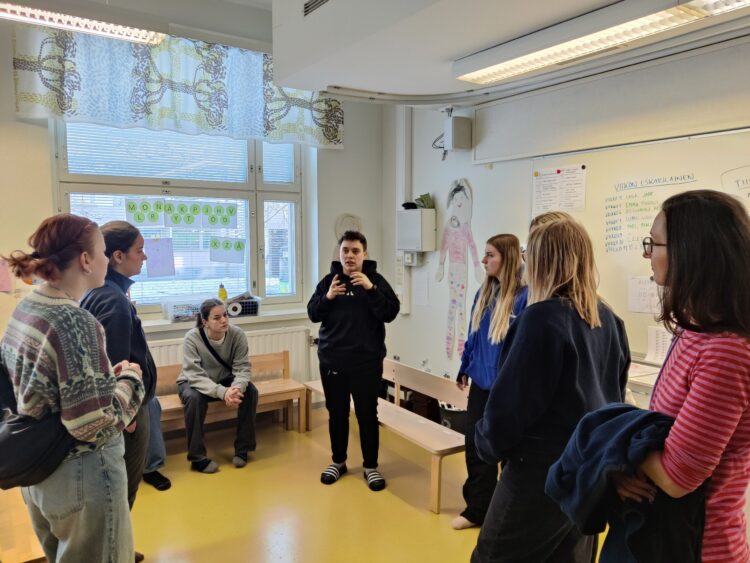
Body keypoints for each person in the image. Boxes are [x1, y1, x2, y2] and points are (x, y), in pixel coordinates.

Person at [471, 218, 630, 563]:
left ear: (542, 260)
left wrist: (485, 444)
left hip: (538, 475)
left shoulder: (541, 319)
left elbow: (509, 408)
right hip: (586, 473)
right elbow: (615, 398)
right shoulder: (609, 320)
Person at [613, 190, 750, 562]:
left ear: (690, 253)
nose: (647, 254)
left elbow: (677, 478)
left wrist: (618, 442)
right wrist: (624, 466)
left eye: (653, 244)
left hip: (700, 547)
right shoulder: (692, 331)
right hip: (663, 535)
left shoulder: (725, 351)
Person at [0, 213, 144, 563]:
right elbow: (91, 425)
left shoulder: (28, 307)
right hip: (81, 474)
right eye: (102, 252)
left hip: (41, 473)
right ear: (85, 260)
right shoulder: (76, 322)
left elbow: (46, 383)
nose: (107, 260)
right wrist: (130, 381)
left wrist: (105, 377)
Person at [81, 221, 171, 508]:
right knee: (123, 492)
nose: (145, 256)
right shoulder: (113, 301)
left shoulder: (102, 292)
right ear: (118, 256)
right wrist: (127, 419)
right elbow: (113, 366)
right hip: (127, 411)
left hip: (126, 408)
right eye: (139, 250)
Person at [308, 230, 400, 491]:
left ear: (364, 254)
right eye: (345, 250)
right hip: (332, 361)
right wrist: (328, 297)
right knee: (336, 414)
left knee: (367, 415)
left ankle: (371, 466)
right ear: (339, 254)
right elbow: (313, 313)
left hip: (366, 364)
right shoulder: (329, 282)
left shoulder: (376, 281)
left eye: (355, 251)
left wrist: (371, 289)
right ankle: (338, 462)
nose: (349, 256)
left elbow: (390, 312)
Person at [452, 234, 528, 531]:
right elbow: (473, 336)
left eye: (490, 255)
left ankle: (506, 514)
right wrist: (464, 366)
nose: (484, 260)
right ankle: (477, 509)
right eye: (484, 254)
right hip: (481, 385)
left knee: (508, 451)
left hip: (508, 389)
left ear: (507, 258)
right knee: (476, 446)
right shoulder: (484, 294)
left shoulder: (524, 298)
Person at [176, 298, 258, 473]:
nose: (224, 320)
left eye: (225, 315)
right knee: (194, 399)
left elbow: (242, 368)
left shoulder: (237, 334)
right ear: (205, 321)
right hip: (193, 381)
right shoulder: (192, 337)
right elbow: (195, 375)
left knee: (250, 391)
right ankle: (197, 458)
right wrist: (223, 392)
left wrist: (236, 389)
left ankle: (243, 449)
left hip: (224, 380)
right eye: (217, 317)